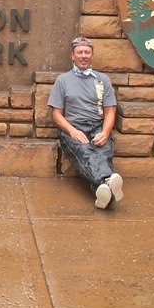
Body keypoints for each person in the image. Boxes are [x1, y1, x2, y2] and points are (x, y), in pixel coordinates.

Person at [48, 36, 124, 210]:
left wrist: (105, 132)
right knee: (85, 153)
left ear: (92, 55)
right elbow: (56, 114)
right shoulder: (63, 80)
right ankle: (108, 181)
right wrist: (72, 131)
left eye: (87, 52)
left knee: (103, 152)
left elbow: (110, 110)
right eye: (80, 52)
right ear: (72, 56)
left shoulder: (102, 80)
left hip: (98, 125)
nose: (83, 55)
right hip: (73, 127)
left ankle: (102, 190)